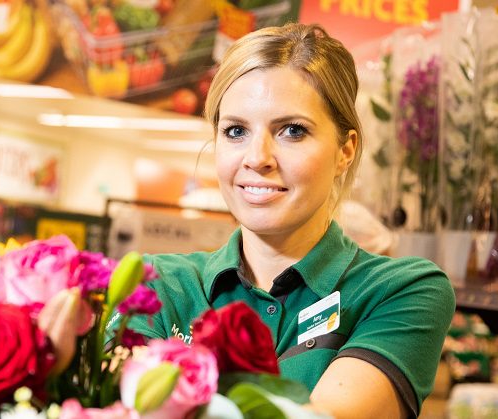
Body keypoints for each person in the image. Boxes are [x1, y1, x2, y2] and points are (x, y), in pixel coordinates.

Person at [115, 22, 455, 418]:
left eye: (292, 130)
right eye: (236, 130)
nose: (257, 157)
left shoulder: (400, 292)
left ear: (345, 150)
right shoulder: (157, 285)